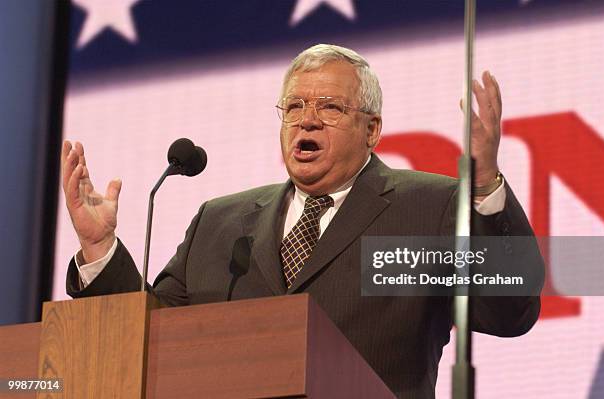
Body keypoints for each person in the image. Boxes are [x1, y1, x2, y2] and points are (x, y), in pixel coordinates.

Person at [61, 44, 543, 398]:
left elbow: (510, 310)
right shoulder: (220, 222)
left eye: (329, 108)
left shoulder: (427, 208)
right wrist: (100, 249)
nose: (306, 121)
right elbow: (149, 334)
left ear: (372, 128)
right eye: (294, 106)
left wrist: (483, 186)